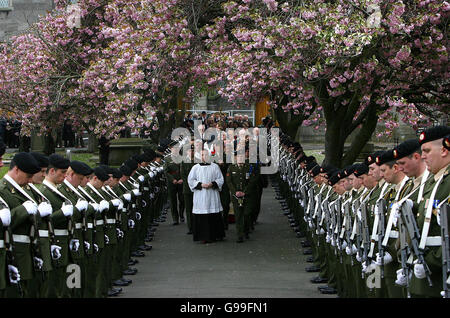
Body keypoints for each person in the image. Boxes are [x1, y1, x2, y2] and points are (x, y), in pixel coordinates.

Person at [188, 149, 225, 243]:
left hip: (212, 194)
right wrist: (200, 184)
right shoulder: (195, 167)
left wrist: (213, 183)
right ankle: (203, 237)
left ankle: (216, 235)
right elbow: (191, 180)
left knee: (214, 214)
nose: (204, 156)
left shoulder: (215, 166)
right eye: (202, 155)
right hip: (201, 195)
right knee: (202, 215)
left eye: (206, 155)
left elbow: (220, 179)